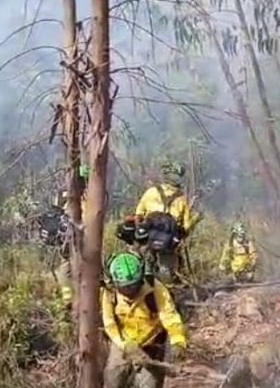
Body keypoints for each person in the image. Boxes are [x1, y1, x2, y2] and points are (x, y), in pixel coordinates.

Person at [102, 252, 188, 388]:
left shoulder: (155, 289)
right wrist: (125, 345)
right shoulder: (109, 293)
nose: (130, 291)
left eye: (133, 286)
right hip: (123, 341)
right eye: (125, 288)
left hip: (152, 343)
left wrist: (178, 341)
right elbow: (109, 323)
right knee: (113, 377)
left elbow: (170, 317)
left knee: (150, 384)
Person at [121, 162, 201, 281]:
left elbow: (138, 214)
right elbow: (186, 226)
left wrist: (139, 234)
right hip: (168, 241)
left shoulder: (151, 192)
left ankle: (146, 286)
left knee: (143, 264)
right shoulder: (181, 199)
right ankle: (165, 291)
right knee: (167, 270)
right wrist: (196, 220)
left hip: (147, 238)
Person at [45, 164, 91, 308]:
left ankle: (70, 300)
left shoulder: (65, 193)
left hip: (67, 238)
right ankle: (74, 300)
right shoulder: (83, 197)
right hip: (75, 238)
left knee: (66, 268)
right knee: (76, 268)